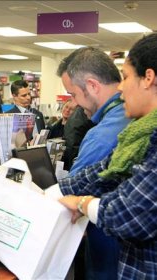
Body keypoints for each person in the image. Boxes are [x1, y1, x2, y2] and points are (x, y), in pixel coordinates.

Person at [57, 32, 157, 280]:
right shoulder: (140, 133)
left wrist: (82, 203)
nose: (121, 88)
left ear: (148, 78)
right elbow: (105, 170)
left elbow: (127, 214)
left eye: (125, 77)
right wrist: (56, 191)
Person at [54, 47, 131, 280]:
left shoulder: (103, 133)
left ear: (93, 86)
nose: (75, 104)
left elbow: (73, 190)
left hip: (109, 258)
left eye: (74, 95)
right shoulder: (127, 122)